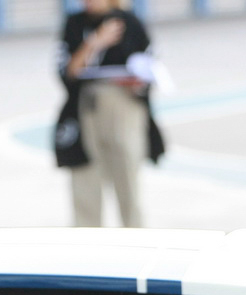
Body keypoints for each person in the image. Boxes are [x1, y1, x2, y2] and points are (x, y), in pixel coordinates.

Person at [55, 0, 164, 228]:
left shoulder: (130, 22)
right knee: (85, 176)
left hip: (123, 105)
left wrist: (136, 80)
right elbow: (67, 71)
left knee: (127, 175)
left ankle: (135, 238)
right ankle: (86, 240)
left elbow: (148, 66)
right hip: (85, 105)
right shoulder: (75, 24)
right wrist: (95, 42)